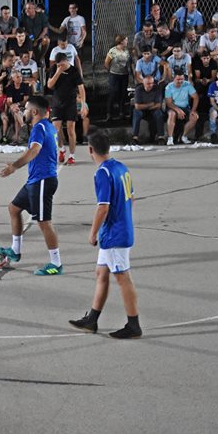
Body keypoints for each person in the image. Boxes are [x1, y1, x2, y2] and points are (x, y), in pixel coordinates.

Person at [68, 130, 141, 338]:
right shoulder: (120, 167)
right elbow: (132, 197)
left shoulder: (102, 173)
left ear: (90, 150)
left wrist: (93, 233)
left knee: (122, 276)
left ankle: (134, 324)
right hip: (121, 228)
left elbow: (103, 207)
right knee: (101, 272)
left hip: (114, 234)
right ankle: (92, 319)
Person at [0, 95, 63, 275]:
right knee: (14, 208)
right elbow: (27, 128)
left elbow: (35, 150)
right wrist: (17, 112)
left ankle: (56, 263)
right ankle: (15, 251)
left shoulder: (40, 127)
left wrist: (14, 167)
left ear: (34, 112)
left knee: (43, 222)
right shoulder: (46, 125)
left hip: (42, 180)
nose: (24, 111)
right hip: (36, 180)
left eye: (25, 109)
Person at [47, 52, 84, 165]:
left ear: (66, 61)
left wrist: (83, 104)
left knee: (70, 129)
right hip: (57, 102)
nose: (60, 66)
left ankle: (72, 156)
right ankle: (61, 149)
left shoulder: (74, 71)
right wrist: (58, 72)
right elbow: (49, 85)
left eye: (62, 64)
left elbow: (81, 88)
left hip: (71, 103)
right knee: (56, 129)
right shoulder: (55, 68)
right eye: (58, 65)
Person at [163, 71, 198, 146]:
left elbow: (196, 98)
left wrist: (193, 110)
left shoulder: (187, 85)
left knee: (195, 117)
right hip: (173, 107)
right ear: (174, 79)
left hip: (185, 107)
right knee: (172, 114)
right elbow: (169, 103)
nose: (180, 81)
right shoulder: (169, 87)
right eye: (178, 79)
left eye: (182, 79)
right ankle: (170, 138)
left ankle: (183, 136)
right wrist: (178, 110)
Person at [131, 75, 164, 144]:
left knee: (159, 114)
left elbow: (158, 105)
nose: (150, 85)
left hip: (153, 109)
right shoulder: (139, 89)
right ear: (143, 83)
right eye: (148, 83)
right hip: (142, 110)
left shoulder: (157, 88)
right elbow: (137, 106)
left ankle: (161, 137)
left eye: (152, 83)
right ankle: (135, 138)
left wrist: (147, 106)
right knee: (136, 113)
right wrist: (150, 105)